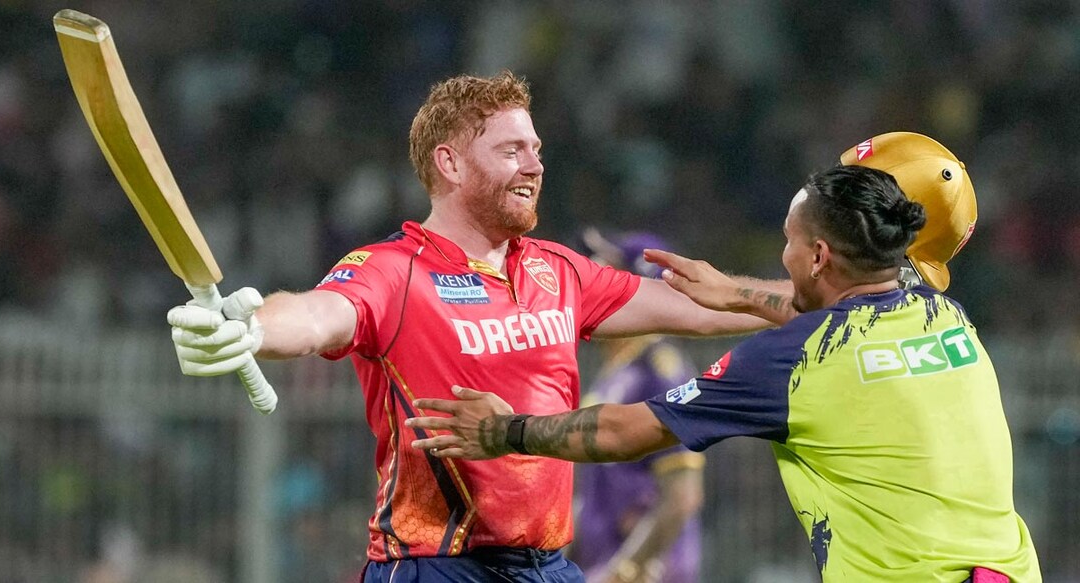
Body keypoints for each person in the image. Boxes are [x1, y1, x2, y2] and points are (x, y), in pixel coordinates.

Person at [166, 70, 791, 582]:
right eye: (512, 150)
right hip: (434, 568)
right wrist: (252, 325)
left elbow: (702, 307)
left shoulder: (558, 271)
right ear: (452, 164)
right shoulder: (393, 271)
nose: (535, 165)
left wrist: (839, 296)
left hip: (550, 568)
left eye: (538, 150)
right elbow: (315, 314)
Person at [406, 162, 1042, 581]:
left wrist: (506, 433)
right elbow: (834, 305)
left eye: (790, 241)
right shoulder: (944, 315)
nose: (782, 254)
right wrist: (738, 294)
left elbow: (626, 434)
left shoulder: (791, 362)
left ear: (818, 254)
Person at [572, 228, 705, 583]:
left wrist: (624, 570)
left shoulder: (659, 370)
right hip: (602, 563)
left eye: (607, 270)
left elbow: (682, 495)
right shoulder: (617, 369)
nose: (591, 278)